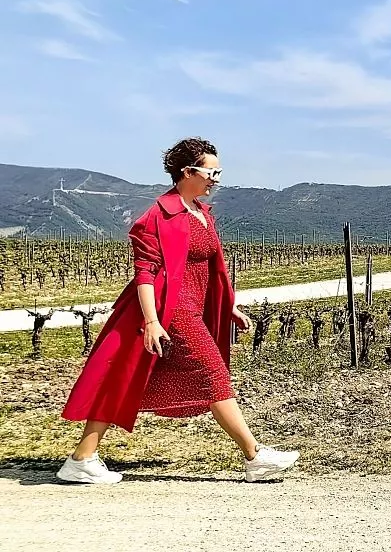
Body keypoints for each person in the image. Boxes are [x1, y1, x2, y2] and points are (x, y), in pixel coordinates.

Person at [56, 138, 299, 484]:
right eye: (210, 171)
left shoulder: (200, 213)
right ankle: (255, 456)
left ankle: (82, 458)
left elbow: (212, 266)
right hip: (170, 308)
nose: (216, 179)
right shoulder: (157, 217)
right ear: (187, 172)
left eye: (218, 172)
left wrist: (228, 305)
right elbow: (145, 273)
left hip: (195, 307)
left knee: (123, 377)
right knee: (213, 372)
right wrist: (152, 322)